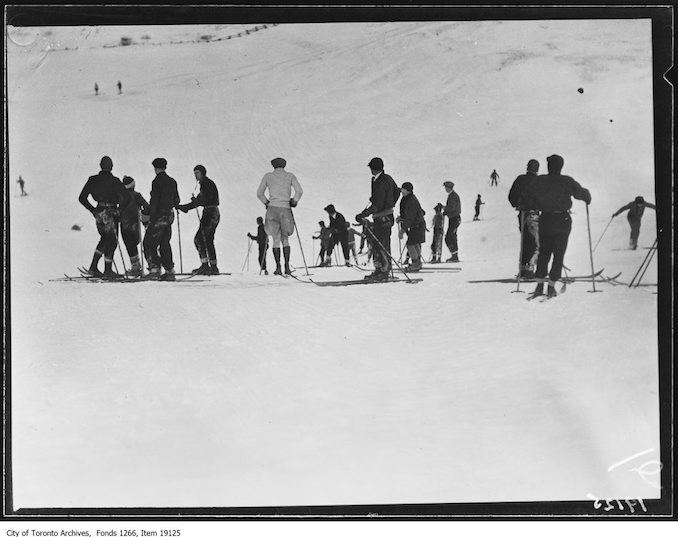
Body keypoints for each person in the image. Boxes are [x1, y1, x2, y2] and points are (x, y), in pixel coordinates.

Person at [530, 154, 591, 297]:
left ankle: (540, 285)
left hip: (546, 219)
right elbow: (581, 193)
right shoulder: (566, 181)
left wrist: (525, 204)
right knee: (559, 253)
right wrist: (587, 197)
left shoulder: (540, 180)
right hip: (562, 220)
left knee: (544, 252)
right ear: (561, 166)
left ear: (548, 166)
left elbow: (527, 195)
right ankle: (551, 286)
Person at [78, 156, 126, 278]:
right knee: (112, 241)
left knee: (104, 239)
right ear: (111, 167)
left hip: (99, 212)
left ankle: (93, 267)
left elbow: (82, 198)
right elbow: (127, 198)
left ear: (100, 166)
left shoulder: (92, 180)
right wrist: (119, 210)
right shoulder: (115, 181)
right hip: (111, 212)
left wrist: (93, 210)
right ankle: (108, 270)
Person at [355, 157, 400, 281]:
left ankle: (384, 271)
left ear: (373, 168)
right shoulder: (386, 178)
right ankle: (379, 269)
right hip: (384, 216)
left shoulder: (380, 181)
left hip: (382, 217)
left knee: (382, 244)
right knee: (376, 243)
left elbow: (378, 204)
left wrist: (364, 213)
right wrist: (390, 204)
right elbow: (397, 192)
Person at [256, 157, 303, 275]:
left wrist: (266, 203)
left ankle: (278, 267)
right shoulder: (290, 176)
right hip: (286, 209)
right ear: (284, 165)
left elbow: (259, 193)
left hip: (272, 209)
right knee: (285, 238)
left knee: (275, 239)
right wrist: (294, 201)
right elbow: (299, 191)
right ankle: (287, 266)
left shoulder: (268, 176)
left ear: (273, 165)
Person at [177, 164, 221, 275]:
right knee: (208, 239)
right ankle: (213, 266)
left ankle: (205, 265)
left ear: (203, 173)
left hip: (210, 213)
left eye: (197, 173)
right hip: (213, 212)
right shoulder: (206, 183)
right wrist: (194, 202)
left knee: (199, 239)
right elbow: (203, 199)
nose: (196, 176)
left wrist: (188, 206)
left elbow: (204, 199)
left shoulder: (206, 184)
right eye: (195, 173)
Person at [143, 158, 180, 280]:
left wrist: (150, 217)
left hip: (159, 216)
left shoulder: (156, 181)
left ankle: (154, 269)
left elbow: (154, 201)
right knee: (165, 243)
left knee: (149, 243)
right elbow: (177, 200)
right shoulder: (172, 181)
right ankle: (169, 271)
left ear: (155, 168)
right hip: (169, 215)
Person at [508, 159, 541, 278]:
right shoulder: (538, 181)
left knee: (525, 241)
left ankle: (522, 269)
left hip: (522, 214)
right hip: (533, 214)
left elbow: (511, 196)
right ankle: (529, 270)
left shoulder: (520, 179)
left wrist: (517, 204)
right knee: (535, 242)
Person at [119, 176, 150, 277]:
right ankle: (138, 267)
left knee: (129, 245)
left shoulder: (120, 195)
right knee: (134, 244)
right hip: (135, 224)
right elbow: (146, 206)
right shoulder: (137, 195)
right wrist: (145, 217)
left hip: (124, 224)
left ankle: (136, 267)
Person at [396, 182, 426, 272]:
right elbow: (405, 215)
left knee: (410, 245)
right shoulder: (406, 199)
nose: (402, 190)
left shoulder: (412, 201)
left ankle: (415, 263)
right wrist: (401, 219)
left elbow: (410, 217)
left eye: (404, 189)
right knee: (415, 243)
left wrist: (402, 230)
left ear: (408, 190)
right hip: (416, 225)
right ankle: (418, 262)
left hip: (417, 225)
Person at [442, 181, 461, 262]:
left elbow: (452, 208)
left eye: (446, 187)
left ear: (449, 188)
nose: (445, 189)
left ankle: (454, 255)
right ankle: (454, 255)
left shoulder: (452, 196)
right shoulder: (452, 195)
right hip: (454, 218)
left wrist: (444, 209)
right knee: (452, 237)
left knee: (449, 237)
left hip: (454, 218)